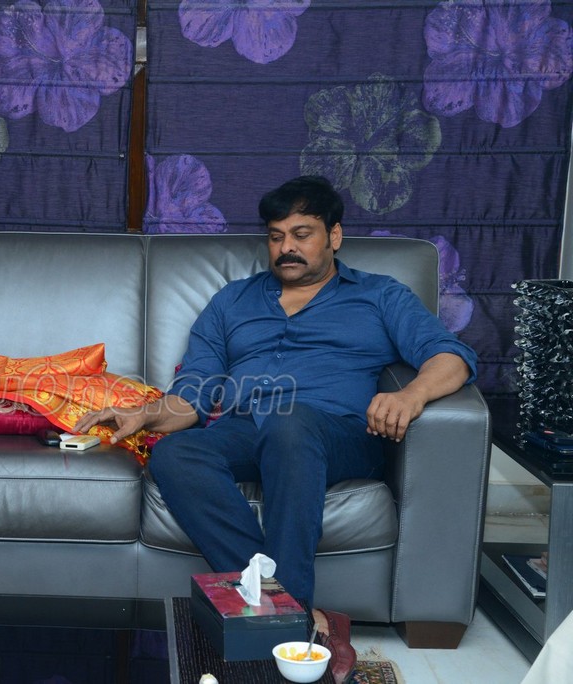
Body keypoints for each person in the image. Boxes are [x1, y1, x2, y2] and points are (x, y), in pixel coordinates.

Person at [75, 175, 477, 683]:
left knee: (292, 426)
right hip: (247, 428)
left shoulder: (379, 296)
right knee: (176, 454)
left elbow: (452, 356)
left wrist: (409, 395)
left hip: (338, 433)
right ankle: (295, 617)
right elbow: (196, 390)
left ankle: (282, 623)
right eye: (276, 236)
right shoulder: (233, 301)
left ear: (334, 235)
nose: (287, 247)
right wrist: (146, 415)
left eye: (302, 234)